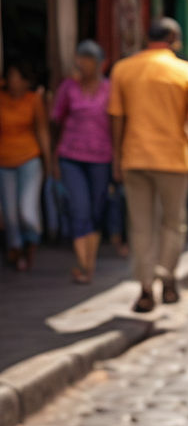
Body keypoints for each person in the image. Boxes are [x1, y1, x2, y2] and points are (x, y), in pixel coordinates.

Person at [108, 18, 188, 313]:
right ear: (174, 40)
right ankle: (166, 277)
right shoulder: (186, 71)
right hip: (173, 159)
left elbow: (116, 117)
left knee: (140, 226)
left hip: (134, 157)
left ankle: (144, 289)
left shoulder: (123, 69)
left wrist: (117, 156)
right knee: (173, 222)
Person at [51, 41, 113, 283]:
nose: (84, 65)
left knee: (96, 209)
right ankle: (83, 265)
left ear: (100, 64)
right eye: (81, 59)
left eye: (89, 60)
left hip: (101, 158)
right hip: (71, 157)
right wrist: (54, 157)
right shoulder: (68, 87)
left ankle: (90, 262)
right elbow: (56, 120)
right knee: (80, 208)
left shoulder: (109, 89)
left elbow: (117, 124)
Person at [0, 58, 51, 271]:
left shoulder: (33, 100)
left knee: (26, 210)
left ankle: (31, 239)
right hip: (4, 161)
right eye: (9, 76)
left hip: (30, 158)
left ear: (25, 81)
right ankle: (16, 247)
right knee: (10, 213)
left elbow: (42, 130)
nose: (13, 81)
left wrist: (48, 162)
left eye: (16, 77)